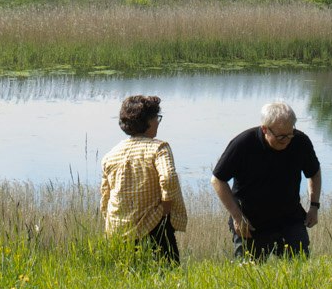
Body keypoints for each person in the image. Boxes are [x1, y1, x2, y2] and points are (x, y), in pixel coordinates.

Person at [211, 99, 320, 258]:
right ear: (264, 129)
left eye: (290, 134)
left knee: (299, 266)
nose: (286, 140)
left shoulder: (300, 141)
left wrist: (314, 206)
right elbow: (217, 180)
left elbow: (314, 172)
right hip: (250, 223)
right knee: (248, 270)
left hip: (290, 219)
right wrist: (237, 216)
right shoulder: (244, 143)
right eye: (281, 136)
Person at [98, 93, 188, 262]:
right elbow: (168, 177)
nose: (158, 123)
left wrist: (111, 220)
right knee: (167, 271)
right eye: (156, 118)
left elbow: (105, 196)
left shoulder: (110, 155)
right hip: (153, 224)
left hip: (118, 229)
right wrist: (166, 206)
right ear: (147, 122)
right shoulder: (159, 148)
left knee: (126, 273)